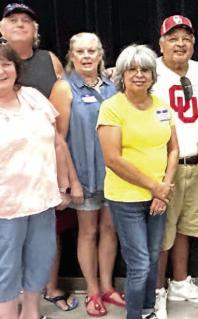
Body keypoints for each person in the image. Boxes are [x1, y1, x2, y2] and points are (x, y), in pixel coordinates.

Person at [0, 2, 80, 312]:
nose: (2, 70)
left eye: (6, 65)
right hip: (6, 207)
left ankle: (32, 311)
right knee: (6, 268)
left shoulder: (32, 97)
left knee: (39, 259)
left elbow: (57, 140)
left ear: (15, 69)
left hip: (42, 200)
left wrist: (64, 183)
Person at [97, 44, 179, 319]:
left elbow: (173, 149)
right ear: (122, 74)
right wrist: (155, 187)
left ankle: (147, 310)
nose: (139, 74)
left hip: (158, 198)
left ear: (153, 75)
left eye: (145, 69)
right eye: (132, 69)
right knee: (140, 264)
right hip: (126, 199)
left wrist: (162, 189)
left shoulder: (162, 106)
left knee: (154, 258)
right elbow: (113, 159)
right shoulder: (111, 108)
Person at [48, 32, 123, 316]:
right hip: (84, 176)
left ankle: (107, 286)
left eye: (92, 50)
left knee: (110, 230)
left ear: (101, 54)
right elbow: (58, 140)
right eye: (80, 51)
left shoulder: (113, 86)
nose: (87, 56)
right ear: (71, 55)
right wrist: (70, 181)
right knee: (88, 232)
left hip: (114, 176)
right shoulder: (64, 89)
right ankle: (92, 291)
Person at [151, 14, 198, 316]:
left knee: (185, 228)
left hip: (197, 161)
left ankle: (179, 281)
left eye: (186, 38)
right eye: (173, 38)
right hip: (166, 166)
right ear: (161, 43)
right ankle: (157, 290)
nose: (180, 43)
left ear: (193, 43)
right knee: (162, 231)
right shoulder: (151, 71)